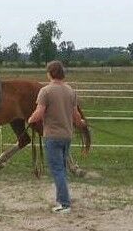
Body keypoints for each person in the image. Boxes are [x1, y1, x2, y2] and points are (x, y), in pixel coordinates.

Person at [28, 60, 86, 214]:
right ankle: (63, 199)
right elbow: (76, 116)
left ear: (50, 73)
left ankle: (64, 204)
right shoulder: (70, 91)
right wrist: (81, 123)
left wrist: (30, 119)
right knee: (62, 169)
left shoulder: (45, 91)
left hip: (52, 136)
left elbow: (39, 113)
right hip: (67, 136)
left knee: (57, 170)